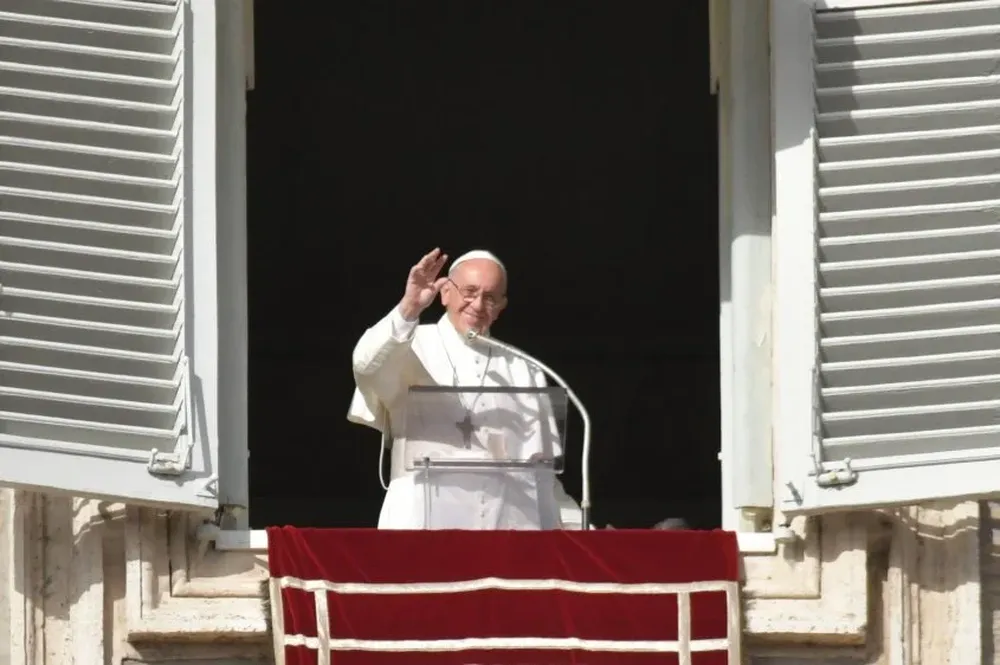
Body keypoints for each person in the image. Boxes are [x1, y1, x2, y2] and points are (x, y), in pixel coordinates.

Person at [348, 248, 580, 529]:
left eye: (490, 297)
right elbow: (366, 367)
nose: (478, 305)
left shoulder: (523, 367)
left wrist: (578, 528)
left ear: (502, 306)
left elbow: (540, 474)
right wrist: (409, 307)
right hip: (422, 522)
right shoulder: (409, 343)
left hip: (506, 529)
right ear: (445, 293)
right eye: (469, 291)